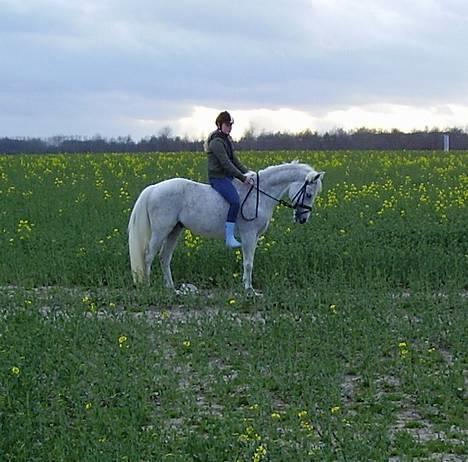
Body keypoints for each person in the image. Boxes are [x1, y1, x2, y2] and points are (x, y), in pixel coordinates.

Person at [205, 111, 256, 248]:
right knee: (234, 201)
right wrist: (242, 178)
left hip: (227, 177)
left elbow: (235, 161)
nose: (229, 127)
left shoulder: (226, 141)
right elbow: (226, 164)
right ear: (219, 125)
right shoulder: (216, 142)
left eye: (230, 125)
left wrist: (249, 173)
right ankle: (229, 237)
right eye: (227, 125)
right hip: (218, 178)